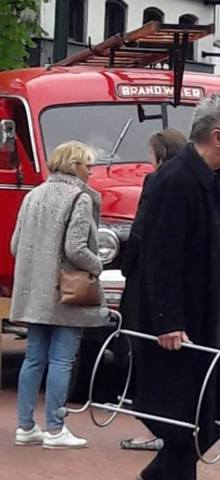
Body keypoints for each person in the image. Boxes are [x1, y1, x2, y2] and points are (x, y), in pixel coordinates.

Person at [133, 94, 220, 479]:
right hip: (190, 322)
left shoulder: (216, 181)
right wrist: (167, 319)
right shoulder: (175, 181)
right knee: (187, 416)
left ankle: (160, 474)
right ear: (218, 136)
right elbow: (161, 255)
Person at [11, 140, 107, 448]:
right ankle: (55, 428)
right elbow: (75, 248)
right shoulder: (78, 197)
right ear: (75, 165)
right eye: (88, 165)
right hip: (65, 291)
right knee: (62, 359)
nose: (91, 171)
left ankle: (26, 426)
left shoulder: (32, 195)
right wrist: (99, 263)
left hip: (33, 290)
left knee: (34, 358)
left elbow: (15, 245)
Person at [119, 129, 187, 452]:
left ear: (160, 155)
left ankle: (150, 429)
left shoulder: (158, 182)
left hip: (147, 280)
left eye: (150, 154)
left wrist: (127, 263)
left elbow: (142, 227)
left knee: (144, 350)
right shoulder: (193, 180)